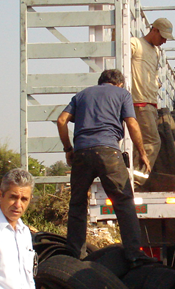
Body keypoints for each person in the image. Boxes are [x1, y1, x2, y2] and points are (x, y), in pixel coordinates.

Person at [56, 69, 153, 265]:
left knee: (77, 203)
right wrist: (142, 153)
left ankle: (75, 255)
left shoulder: (81, 95)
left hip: (82, 153)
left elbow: (61, 121)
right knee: (123, 202)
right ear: (119, 84)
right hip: (108, 151)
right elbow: (132, 124)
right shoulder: (122, 94)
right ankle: (133, 254)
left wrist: (68, 149)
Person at [130, 17, 173, 186]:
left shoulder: (155, 51)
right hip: (139, 102)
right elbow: (119, 53)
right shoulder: (135, 44)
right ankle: (136, 182)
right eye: (162, 37)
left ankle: (131, 178)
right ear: (153, 30)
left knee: (138, 144)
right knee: (153, 142)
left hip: (150, 103)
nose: (164, 41)